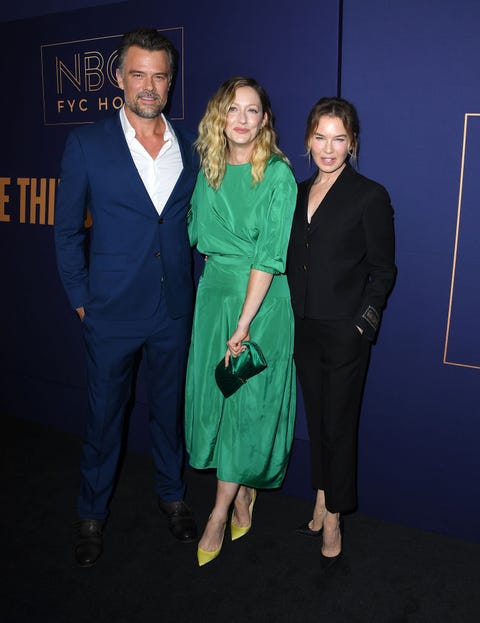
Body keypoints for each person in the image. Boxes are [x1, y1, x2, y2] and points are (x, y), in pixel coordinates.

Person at [54, 28, 198, 567]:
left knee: (168, 413)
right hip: (110, 311)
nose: (149, 85)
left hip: (172, 310)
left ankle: (172, 495)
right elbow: (67, 231)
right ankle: (91, 512)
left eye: (159, 75)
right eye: (138, 73)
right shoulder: (87, 144)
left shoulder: (189, 144)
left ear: (170, 81)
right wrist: (82, 300)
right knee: (103, 417)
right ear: (118, 78)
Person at [184, 77, 297, 566]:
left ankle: (217, 512)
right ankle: (243, 492)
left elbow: (269, 258)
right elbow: (194, 232)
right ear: (219, 116)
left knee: (246, 407)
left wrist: (245, 322)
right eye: (234, 109)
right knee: (218, 400)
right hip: (214, 299)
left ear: (265, 120)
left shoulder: (277, 176)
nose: (243, 119)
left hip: (261, 304)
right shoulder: (207, 168)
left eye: (253, 111)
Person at [287, 97, 397, 566]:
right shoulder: (293, 190)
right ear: (308, 138)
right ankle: (320, 493)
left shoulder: (369, 195)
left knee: (340, 423)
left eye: (338, 139)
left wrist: (362, 327)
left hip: (344, 331)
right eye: (319, 137)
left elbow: (383, 271)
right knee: (316, 419)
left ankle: (334, 514)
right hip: (301, 326)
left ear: (352, 143)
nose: (327, 148)